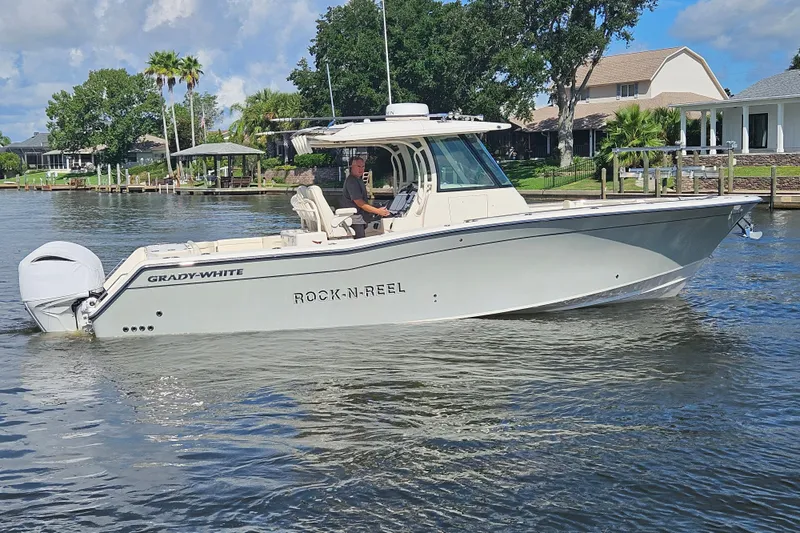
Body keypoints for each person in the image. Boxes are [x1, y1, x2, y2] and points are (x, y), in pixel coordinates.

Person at [341, 156, 390, 239]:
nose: (361, 169)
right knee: (360, 242)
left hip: (361, 218)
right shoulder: (352, 181)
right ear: (351, 167)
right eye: (358, 166)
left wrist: (377, 209)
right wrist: (378, 211)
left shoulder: (358, 180)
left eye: (363, 166)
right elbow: (360, 203)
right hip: (356, 220)